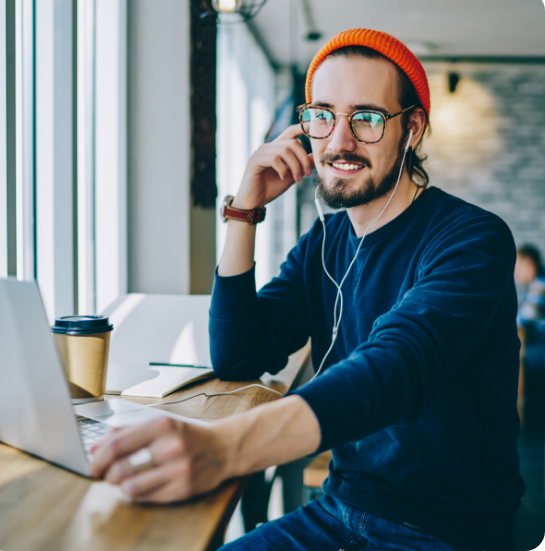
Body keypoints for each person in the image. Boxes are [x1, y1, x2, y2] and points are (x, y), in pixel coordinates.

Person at [91, 29, 524, 551]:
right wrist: (244, 212)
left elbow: (400, 366)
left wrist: (225, 449)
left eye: (366, 118)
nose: (339, 142)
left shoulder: (472, 238)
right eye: (323, 116)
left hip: (445, 531)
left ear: (412, 128)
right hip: (338, 511)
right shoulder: (325, 240)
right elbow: (239, 355)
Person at [515, 244, 545, 430]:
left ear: (529, 263)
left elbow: (525, 319)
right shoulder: (536, 284)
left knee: (516, 358)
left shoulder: (541, 285)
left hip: (541, 348)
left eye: (518, 266)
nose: (515, 273)